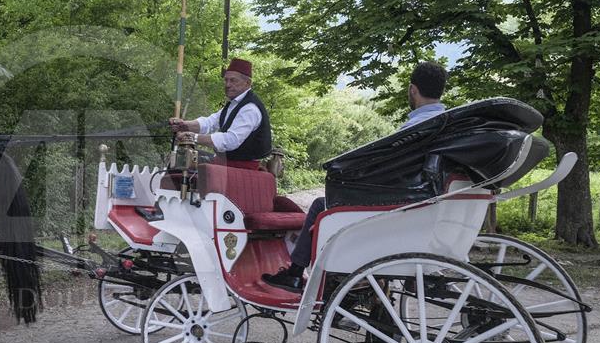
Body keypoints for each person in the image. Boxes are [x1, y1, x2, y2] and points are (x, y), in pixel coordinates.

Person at [263, 60, 449, 292]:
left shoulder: (416, 128)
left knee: (321, 205)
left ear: (412, 89)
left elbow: (388, 172)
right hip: (429, 205)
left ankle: (294, 273)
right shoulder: (447, 124)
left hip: (402, 206)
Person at [168, 57, 272, 169]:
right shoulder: (233, 105)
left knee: (183, 161)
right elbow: (209, 123)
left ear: (247, 83)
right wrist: (184, 125)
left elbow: (230, 140)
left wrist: (193, 137)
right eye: (226, 80)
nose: (227, 85)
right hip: (227, 162)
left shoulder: (250, 108)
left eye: (233, 80)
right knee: (181, 156)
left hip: (242, 167)